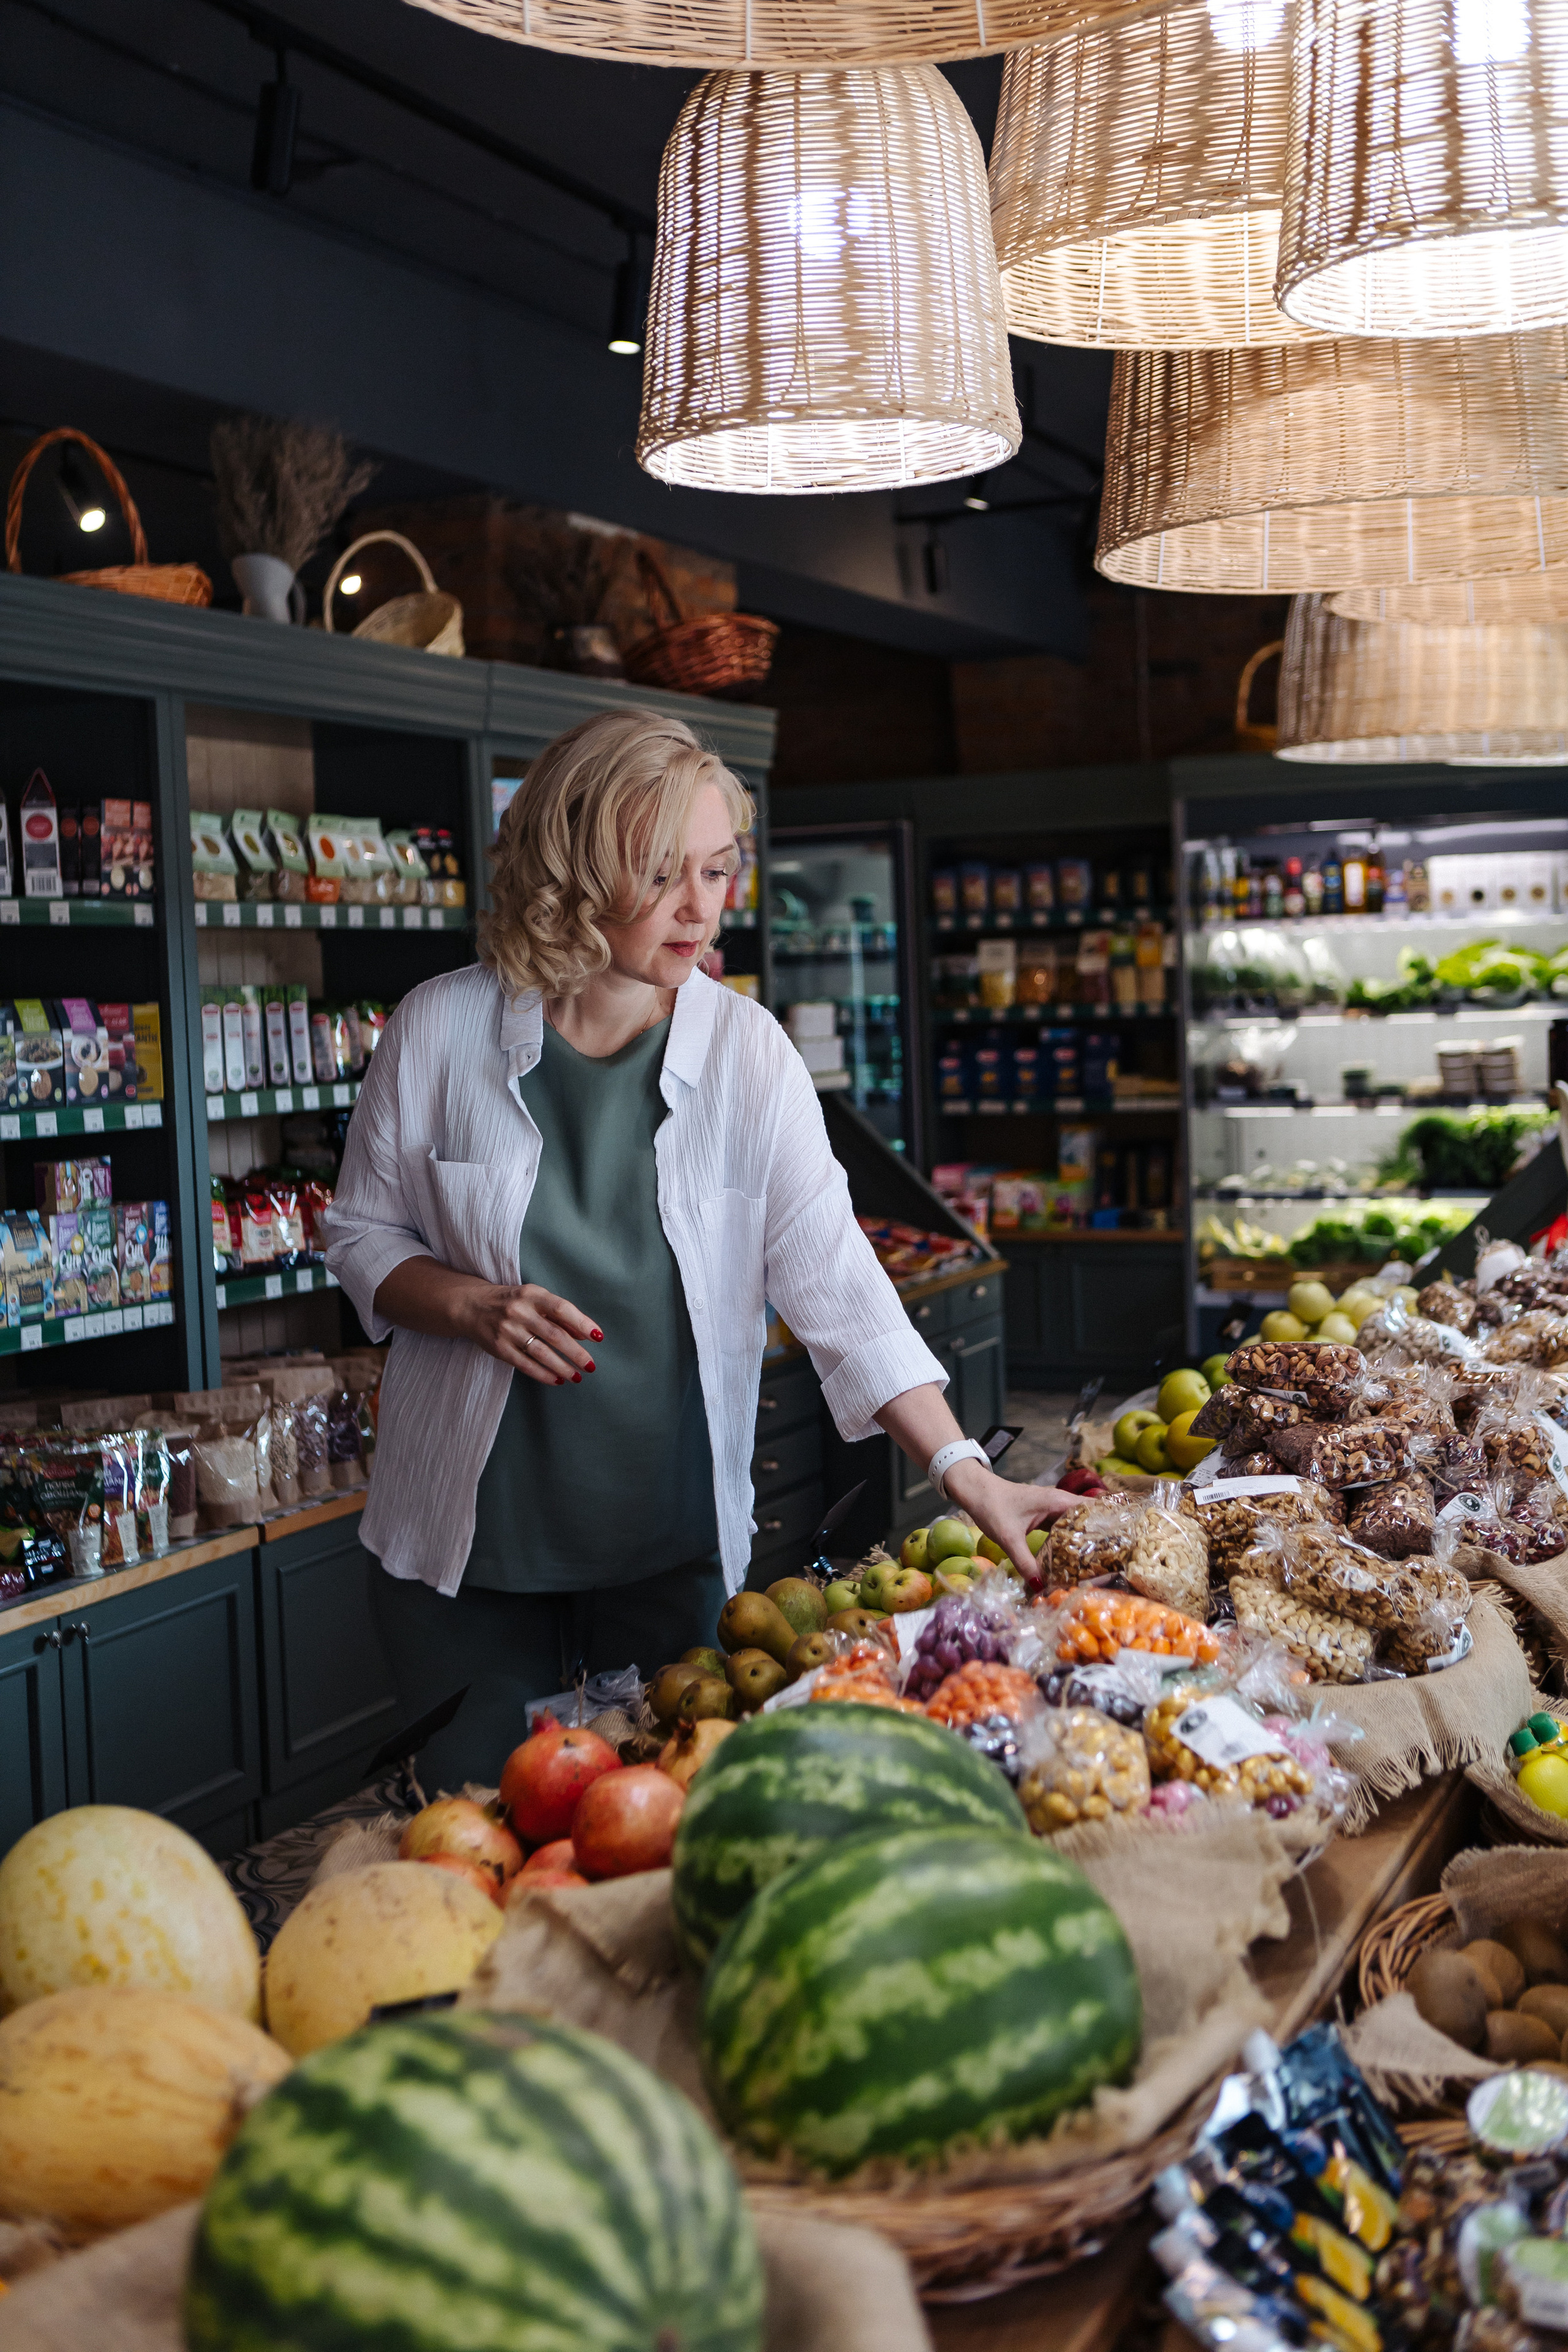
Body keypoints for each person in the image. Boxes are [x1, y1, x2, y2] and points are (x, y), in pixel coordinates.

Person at [325, 707, 1077, 1787]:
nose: (700, 906)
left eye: (718, 870)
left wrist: (964, 1470)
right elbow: (361, 1233)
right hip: (467, 1549)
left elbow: (838, 1280)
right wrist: (468, 1303)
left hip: (668, 1544)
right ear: (571, 872)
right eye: (659, 873)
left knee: (658, 1828)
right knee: (479, 1831)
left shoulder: (748, 1053)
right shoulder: (438, 1030)